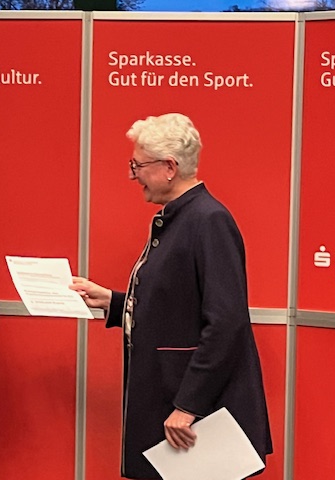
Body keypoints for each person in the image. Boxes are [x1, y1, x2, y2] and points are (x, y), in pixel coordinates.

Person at [71, 114, 272, 479]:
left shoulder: (208, 220)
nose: (132, 175)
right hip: (171, 402)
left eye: (138, 166)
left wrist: (188, 405)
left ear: (169, 167)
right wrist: (115, 303)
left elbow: (227, 323)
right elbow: (177, 307)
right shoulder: (180, 218)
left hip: (192, 414)